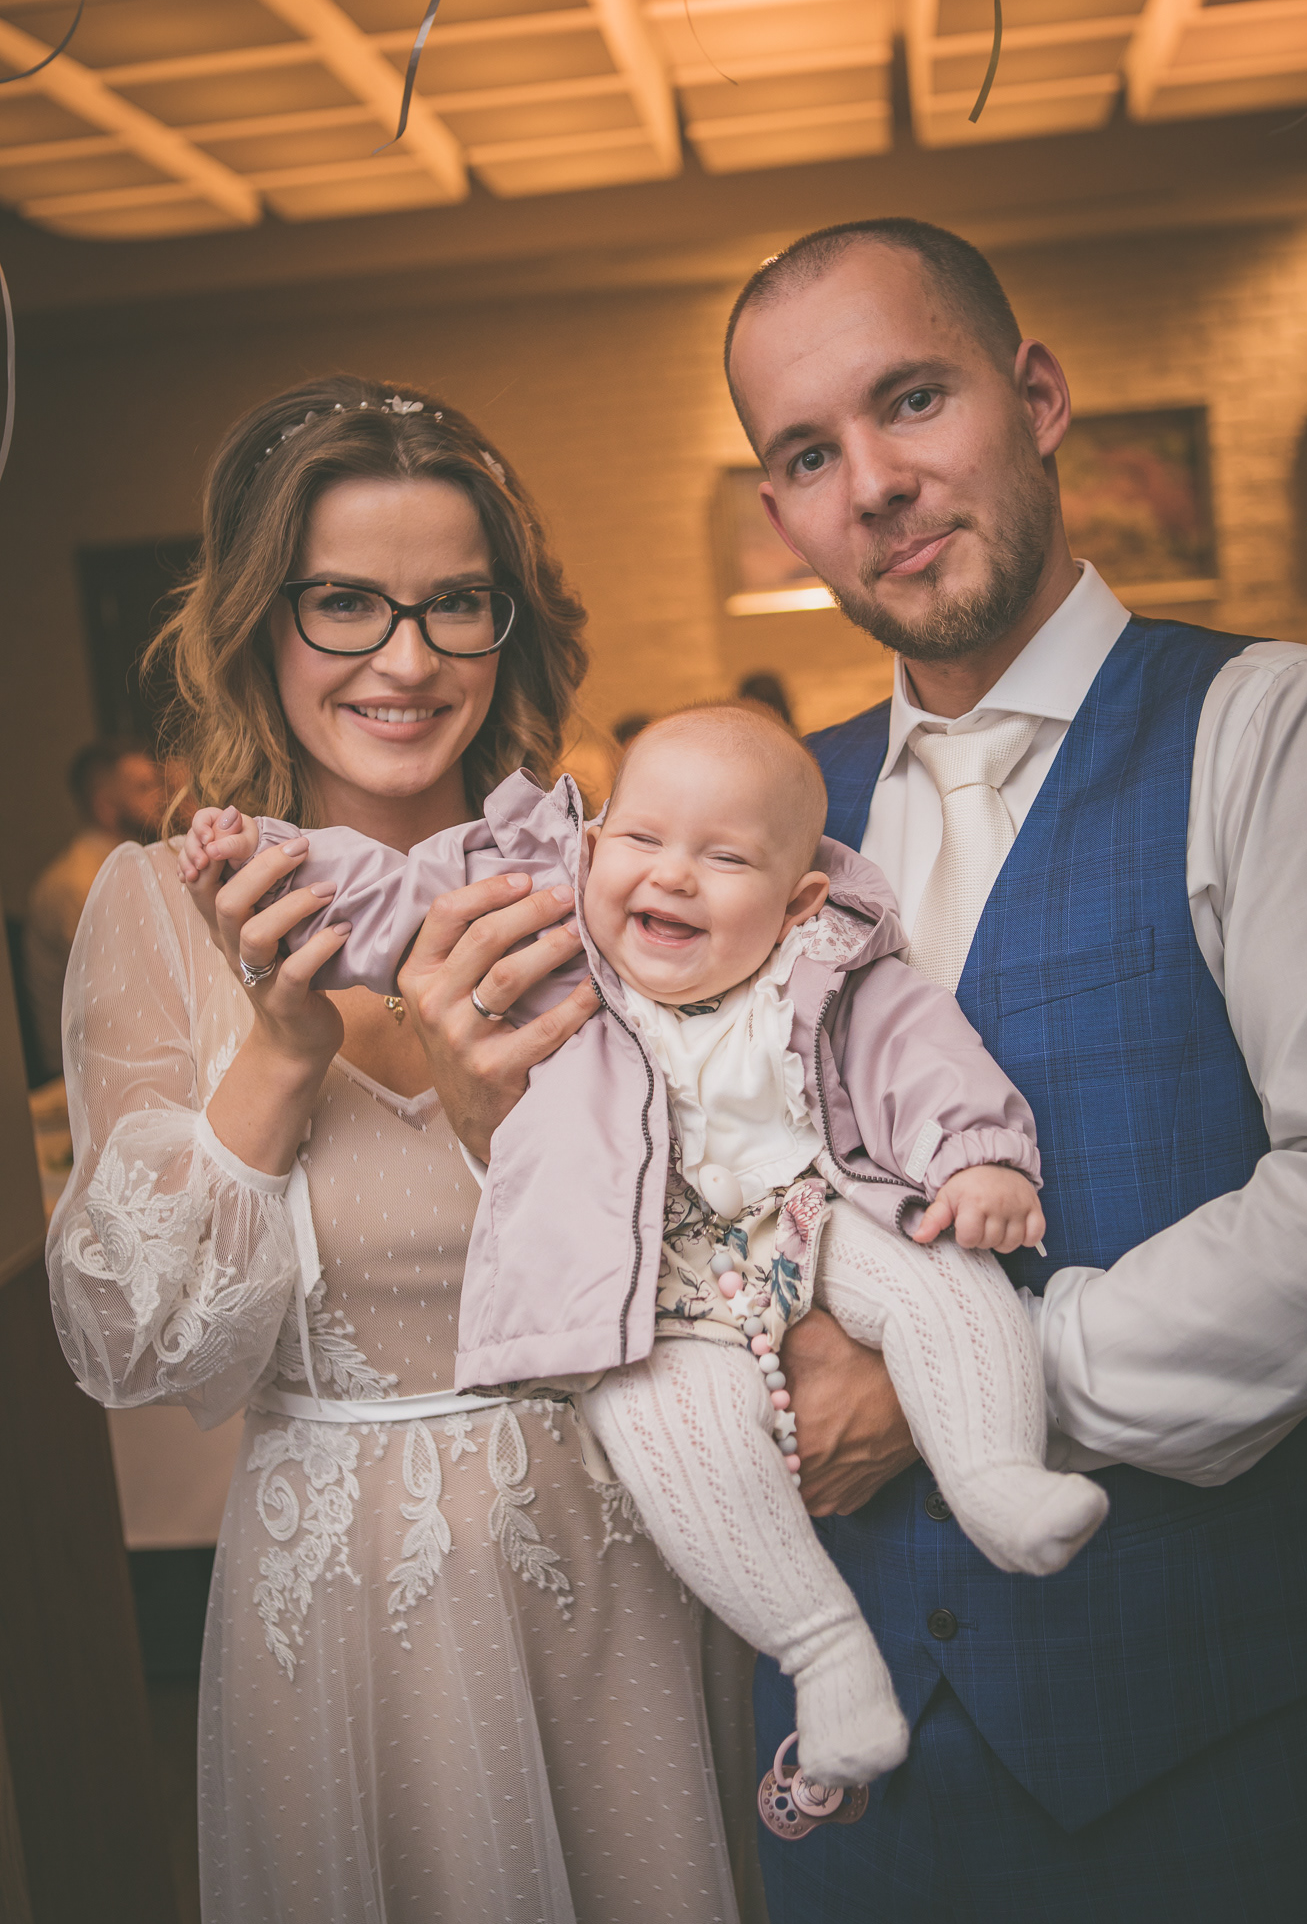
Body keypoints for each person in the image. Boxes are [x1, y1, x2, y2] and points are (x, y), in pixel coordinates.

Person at [47, 376, 786, 1924]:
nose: (405, 656)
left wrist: (487, 1109)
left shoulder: (608, 881)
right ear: (262, 620)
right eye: (345, 602)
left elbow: (735, 1273)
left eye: (456, 600)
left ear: (507, 626)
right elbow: (135, 1343)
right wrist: (279, 1049)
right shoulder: (158, 910)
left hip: (626, 1572)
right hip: (345, 1620)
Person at [716, 217, 1307, 1924]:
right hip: (848, 1802)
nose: (874, 483)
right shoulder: (773, 818)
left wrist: (956, 1391)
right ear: (779, 511)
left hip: (1197, 1775)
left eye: (912, 400)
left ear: (1040, 394)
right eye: (808, 453)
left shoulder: (1273, 725)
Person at [182, 702, 1107, 1788]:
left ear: (798, 899)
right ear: (589, 843)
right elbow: (393, 893)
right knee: (661, 1427)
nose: (671, 875)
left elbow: (925, 1056)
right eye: (640, 838)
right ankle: (822, 1650)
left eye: (725, 859)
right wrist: (266, 858)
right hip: (650, 1280)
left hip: (820, 1218)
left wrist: (979, 1160)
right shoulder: (543, 920)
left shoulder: (830, 968)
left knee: (945, 1276)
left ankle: (997, 1472)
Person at [24, 737, 170, 1080]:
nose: (161, 798)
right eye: (143, 788)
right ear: (105, 806)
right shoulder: (79, 882)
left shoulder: (133, 864)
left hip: (131, 1051)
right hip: (85, 1074)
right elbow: (128, 996)